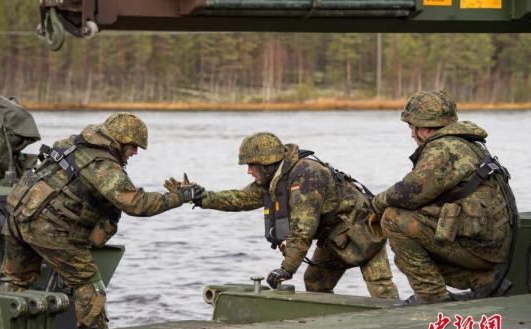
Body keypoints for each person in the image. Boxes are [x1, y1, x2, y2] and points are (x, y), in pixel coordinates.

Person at [1, 112, 204, 329]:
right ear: (119, 141)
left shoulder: (72, 143)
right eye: (133, 146)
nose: (135, 152)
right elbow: (138, 204)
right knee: (90, 286)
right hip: (48, 229)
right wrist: (181, 196)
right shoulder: (103, 165)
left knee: (15, 283)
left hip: (16, 217)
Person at [176, 132, 399, 298]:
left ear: (267, 164)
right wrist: (200, 197)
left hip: (363, 230)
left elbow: (302, 229)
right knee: (315, 282)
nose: (248, 171)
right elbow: (241, 198)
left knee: (382, 289)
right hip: (334, 237)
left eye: (251, 166)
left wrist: (286, 268)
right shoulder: (275, 178)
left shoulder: (307, 176)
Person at [372, 90, 517, 305]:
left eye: (412, 128)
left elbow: (408, 193)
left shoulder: (445, 148)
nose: (412, 134)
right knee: (416, 241)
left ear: (424, 129)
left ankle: (432, 297)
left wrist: (376, 203)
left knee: (393, 218)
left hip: (482, 246)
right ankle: (484, 282)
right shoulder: (467, 143)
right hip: (492, 243)